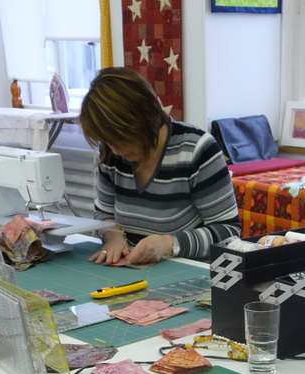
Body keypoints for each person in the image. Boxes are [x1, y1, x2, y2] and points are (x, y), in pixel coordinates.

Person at [79, 67, 241, 266]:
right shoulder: (111, 153)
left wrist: (168, 244)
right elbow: (103, 213)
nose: (116, 150)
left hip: (189, 271)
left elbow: (227, 232)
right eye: (108, 141)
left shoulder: (196, 149)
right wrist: (113, 236)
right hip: (129, 270)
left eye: (122, 139)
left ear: (144, 120)